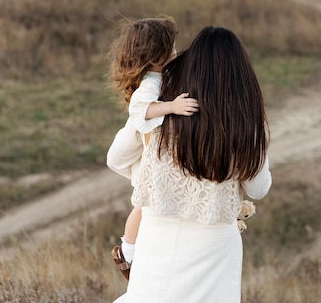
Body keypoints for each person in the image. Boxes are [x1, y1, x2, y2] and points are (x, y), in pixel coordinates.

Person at [108, 26, 272, 303]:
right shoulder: (246, 125)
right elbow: (258, 189)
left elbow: (116, 159)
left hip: (156, 232)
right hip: (214, 243)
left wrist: (157, 180)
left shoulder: (163, 109)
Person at [107, 16, 199, 274]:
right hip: (138, 154)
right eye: (172, 48)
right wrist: (172, 107)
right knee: (142, 205)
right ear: (158, 56)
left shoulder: (159, 78)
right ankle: (128, 250)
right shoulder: (149, 84)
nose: (176, 52)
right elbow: (140, 109)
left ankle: (132, 249)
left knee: (144, 202)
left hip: (145, 155)